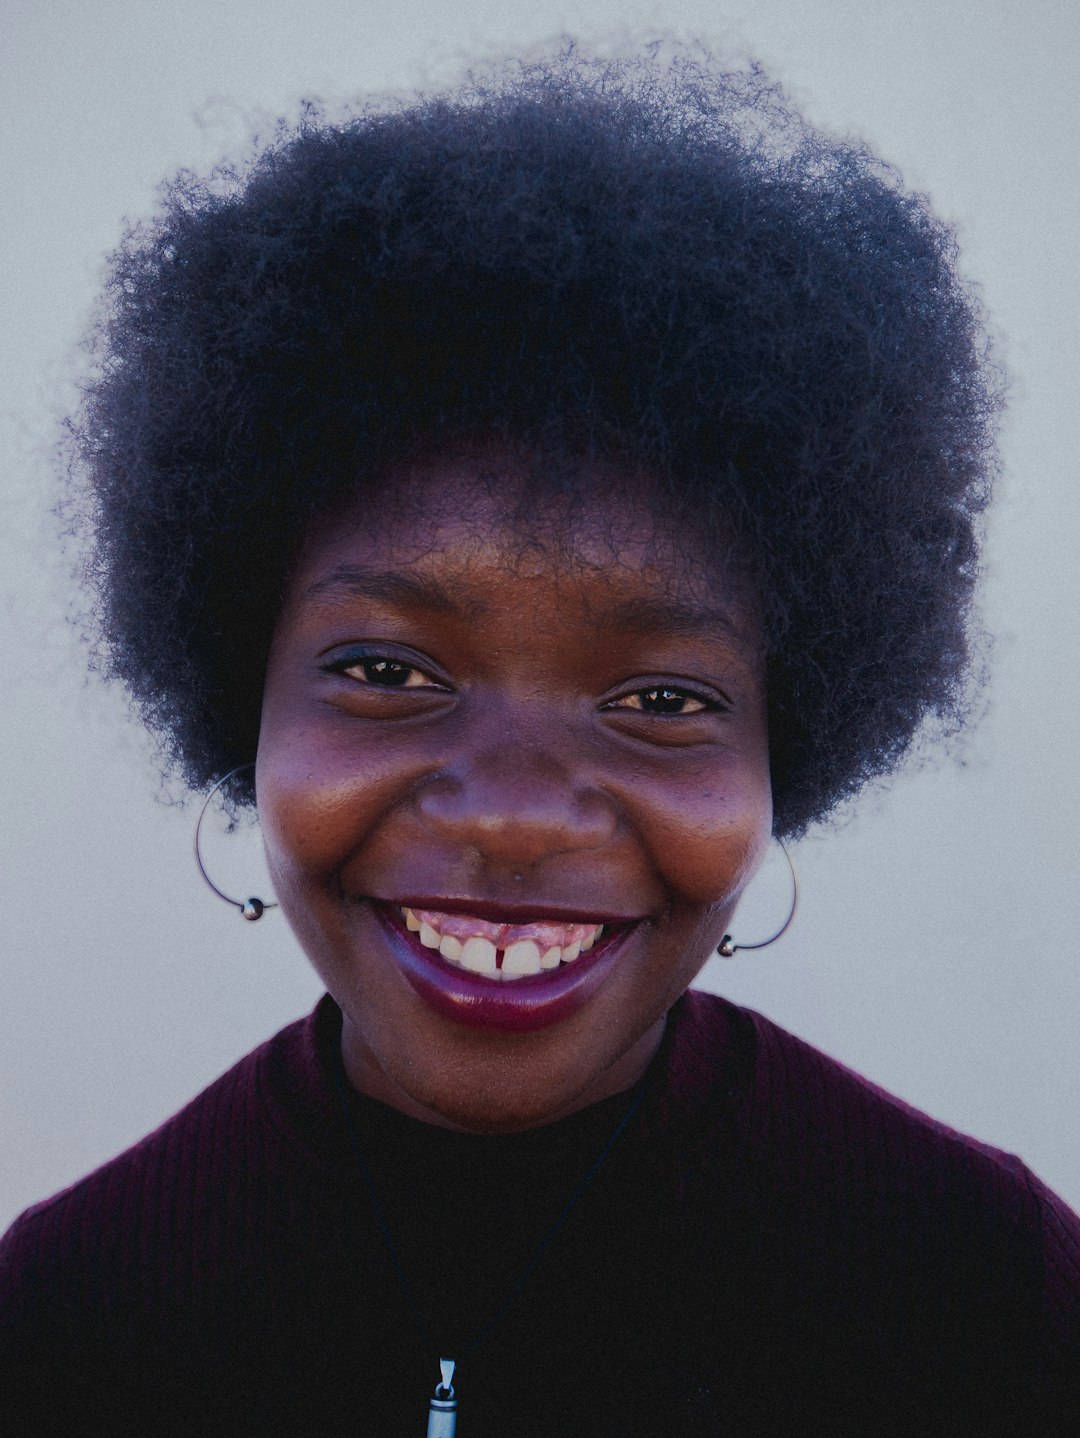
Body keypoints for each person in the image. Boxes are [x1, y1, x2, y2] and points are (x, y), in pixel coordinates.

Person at [2, 48, 1078, 1436]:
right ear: (237, 696)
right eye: (389, 667)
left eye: (661, 700)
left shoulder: (982, 1299)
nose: (512, 815)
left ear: (786, 746)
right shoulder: (75, 1320)